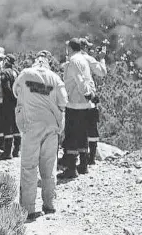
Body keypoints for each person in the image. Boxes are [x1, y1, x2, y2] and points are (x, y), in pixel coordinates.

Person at [13, 51, 68, 220]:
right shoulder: (55, 78)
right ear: (48, 64)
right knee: (49, 166)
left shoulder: (25, 74)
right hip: (51, 126)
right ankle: (49, 204)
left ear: (35, 63)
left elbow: (15, 92)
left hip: (31, 126)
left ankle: (28, 208)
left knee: (29, 167)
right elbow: (64, 102)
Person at [57, 38, 96, 179]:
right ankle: (83, 165)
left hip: (75, 103)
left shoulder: (73, 61)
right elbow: (88, 79)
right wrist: (92, 94)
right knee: (82, 134)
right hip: (85, 104)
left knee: (72, 135)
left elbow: (80, 81)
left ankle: (71, 169)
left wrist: (87, 94)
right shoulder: (84, 59)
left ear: (70, 48)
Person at [79, 37, 107, 165]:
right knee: (91, 127)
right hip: (89, 96)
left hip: (74, 97)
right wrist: (101, 57)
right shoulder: (87, 59)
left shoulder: (71, 60)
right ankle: (90, 158)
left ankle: (79, 157)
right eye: (88, 47)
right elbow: (102, 72)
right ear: (84, 47)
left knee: (78, 128)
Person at [0, 54, 21, 159]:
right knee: (17, 127)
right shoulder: (17, 72)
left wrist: (11, 98)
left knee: (8, 128)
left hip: (7, 104)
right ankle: (17, 150)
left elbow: (6, 88)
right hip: (17, 103)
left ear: (6, 61)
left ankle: (7, 153)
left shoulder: (4, 72)